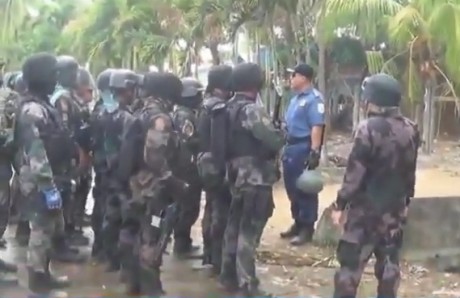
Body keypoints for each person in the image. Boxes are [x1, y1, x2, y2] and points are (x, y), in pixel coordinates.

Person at [331, 73, 420, 298]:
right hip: (394, 211)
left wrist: (340, 204)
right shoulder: (411, 129)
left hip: (365, 212)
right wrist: (407, 200)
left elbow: (355, 173)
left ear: (373, 100)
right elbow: (410, 170)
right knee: (389, 267)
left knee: (350, 268)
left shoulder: (367, 128)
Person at [120, 72, 188, 295]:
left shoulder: (139, 110)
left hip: (137, 183)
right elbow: (154, 156)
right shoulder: (160, 118)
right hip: (153, 187)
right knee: (153, 234)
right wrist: (173, 181)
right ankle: (151, 288)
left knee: (137, 233)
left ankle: (134, 283)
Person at [219, 63, 284, 296]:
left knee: (234, 228)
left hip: (235, 176)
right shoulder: (251, 110)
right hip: (254, 178)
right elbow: (273, 140)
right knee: (249, 232)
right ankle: (247, 286)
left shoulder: (227, 108)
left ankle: (228, 276)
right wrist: (281, 131)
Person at [15, 52, 71, 293]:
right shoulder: (32, 110)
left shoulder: (44, 106)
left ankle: (44, 273)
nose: (55, 78)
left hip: (49, 176)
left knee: (50, 228)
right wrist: (48, 187)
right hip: (39, 180)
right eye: (52, 74)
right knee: (41, 229)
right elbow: (36, 152)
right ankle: (37, 282)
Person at [281, 63, 325, 245]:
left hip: (303, 147)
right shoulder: (295, 99)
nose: (291, 79)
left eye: (294, 75)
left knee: (305, 187)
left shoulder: (314, 99)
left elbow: (317, 126)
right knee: (292, 187)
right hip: (290, 147)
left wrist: (314, 151)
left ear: (304, 78)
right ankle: (297, 222)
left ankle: (307, 227)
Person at [50, 55, 90, 254]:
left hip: (70, 153)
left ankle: (64, 236)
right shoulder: (63, 97)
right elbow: (65, 130)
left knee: (69, 195)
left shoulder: (66, 95)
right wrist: (77, 153)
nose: (76, 76)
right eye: (72, 72)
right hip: (67, 155)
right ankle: (61, 241)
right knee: (65, 195)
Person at [196, 64, 233, 274]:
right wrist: (224, 171)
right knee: (220, 213)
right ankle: (217, 260)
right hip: (215, 168)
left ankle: (209, 255)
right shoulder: (218, 107)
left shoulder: (205, 103)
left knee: (211, 209)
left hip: (205, 166)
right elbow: (219, 145)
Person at [102, 69, 139, 273]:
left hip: (106, 172)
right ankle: (126, 266)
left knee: (110, 218)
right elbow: (128, 150)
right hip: (122, 176)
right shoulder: (127, 118)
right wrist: (126, 177)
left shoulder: (103, 112)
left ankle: (111, 260)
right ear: (127, 90)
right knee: (128, 222)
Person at [172, 77, 204, 257]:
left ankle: (182, 241)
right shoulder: (185, 115)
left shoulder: (183, 112)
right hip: (187, 168)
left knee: (184, 207)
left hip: (183, 166)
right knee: (188, 207)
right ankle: (181, 244)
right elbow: (190, 140)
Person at [90, 68, 113, 260]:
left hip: (102, 162)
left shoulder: (99, 107)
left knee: (102, 203)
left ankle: (100, 247)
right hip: (107, 164)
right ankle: (104, 248)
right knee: (106, 206)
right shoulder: (106, 110)